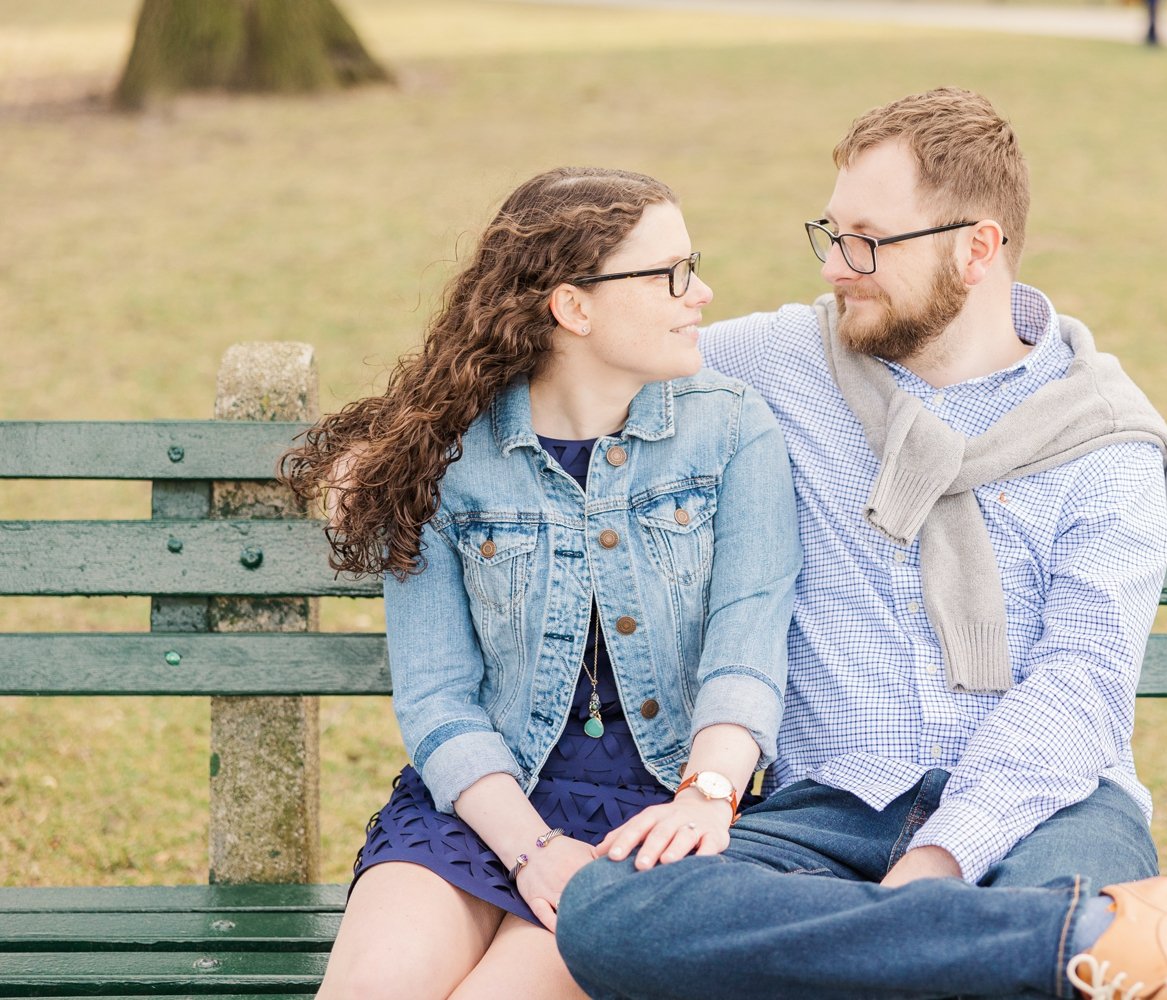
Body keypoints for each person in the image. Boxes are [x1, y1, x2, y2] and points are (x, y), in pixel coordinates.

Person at [555, 89, 1167, 1000]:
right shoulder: (785, 362)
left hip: (1049, 809)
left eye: (871, 242)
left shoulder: (1107, 440)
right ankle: (1084, 940)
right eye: (832, 233)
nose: (840, 267)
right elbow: (585, 356)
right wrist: (406, 434)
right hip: (828, 806)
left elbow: (1081, 688)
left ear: (978, 247)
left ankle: (994, 938)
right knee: (608, 908)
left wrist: (940, 858)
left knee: (1024, 894)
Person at [280, 166, 800, 1000]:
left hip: (657, 819)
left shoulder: (734, 431)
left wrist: (708, 795)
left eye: (691, 265)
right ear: (574, 307)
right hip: (483, 803)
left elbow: (747, 650)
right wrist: (529, 847)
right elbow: (438, 700)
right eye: (669, 275)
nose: (702, 292)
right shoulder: (447, 458)